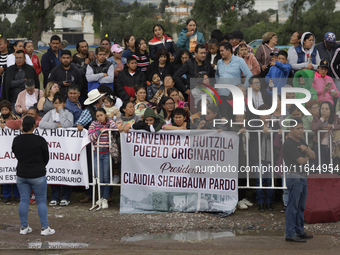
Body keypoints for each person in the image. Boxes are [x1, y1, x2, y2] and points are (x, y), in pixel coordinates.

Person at [12, 116, 55, 236]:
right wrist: (40, 166)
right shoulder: (40, 140)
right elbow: (46, 157)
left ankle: (24, 227)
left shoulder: (16, 140)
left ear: (22, 126)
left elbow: (16, 154)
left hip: (22, 173)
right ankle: (45, 228)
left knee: (24, 200)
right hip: (37, 174)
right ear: (34, 126)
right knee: (41, 201)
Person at [283, 117, 315, 242]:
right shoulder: (289, 143)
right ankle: (290, 233)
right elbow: (301, 161)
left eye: (302, 128)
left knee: (300, 206)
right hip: (294, 176)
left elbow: (314, 155)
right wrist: (307, 155)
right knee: (292, 206)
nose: (301, 130)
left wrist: (306, 149)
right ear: (291, 129)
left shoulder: (301, 142)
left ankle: (299, 231)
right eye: (298, 128)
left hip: (302, 176)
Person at [247, 104, 280, 212]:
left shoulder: (274, 125)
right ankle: (261, 203)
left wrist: (269, 130)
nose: (266, 115)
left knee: (270, 181)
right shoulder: (255, 123)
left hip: (271, 158)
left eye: (268, 112)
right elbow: (249, 127)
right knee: (259, 181)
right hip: (259, 158)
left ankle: (269, 203)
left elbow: (279, 132)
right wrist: (262, 128)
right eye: (264, 113)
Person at [88, 108, 118, 209]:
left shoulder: (109, 123)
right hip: (96, 153)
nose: (99, 118)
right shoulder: (94, 124)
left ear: (105, 114)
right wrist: (99, 131)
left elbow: (115, 128)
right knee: (98, 176)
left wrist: (110, 119)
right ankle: (101, 197)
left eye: (101, 115)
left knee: (106, 176)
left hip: (106, 153)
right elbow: (90, 137)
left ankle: (105, 198)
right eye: (97, 116)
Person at [215, 42, 253, 117]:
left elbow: (249, 75)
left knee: (234, 118)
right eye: (220, 51)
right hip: (221, 95)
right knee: (223, 117)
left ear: (228, 50)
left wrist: (243, 88)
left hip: (233, 96)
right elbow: (217, 74)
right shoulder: (219, 62)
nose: (220, 53)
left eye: (222, 51)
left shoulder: (239, 61)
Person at [0, 100, 20, 203]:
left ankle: (17, 194)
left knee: (16, 172)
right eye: (2, 110)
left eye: (6, 109)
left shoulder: (16, 118)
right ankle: (6, 195)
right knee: (5, 171)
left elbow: (21, 125)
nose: (4, 111)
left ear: (10, 110)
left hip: (15, 150)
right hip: (4, 151)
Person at [311, 100, 340, 170]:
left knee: (331, 170)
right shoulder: (317, 118)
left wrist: (332, 126)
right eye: (322, 109)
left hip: (332, 148)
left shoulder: (335, 118)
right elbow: (313, 128)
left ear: (331, 110)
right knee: (321, 170)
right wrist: (322, 118)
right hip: (319, 147)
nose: (324, 111)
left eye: (327, 109)